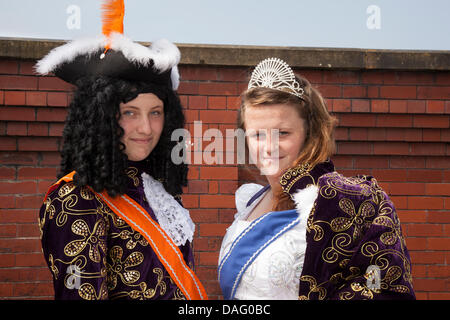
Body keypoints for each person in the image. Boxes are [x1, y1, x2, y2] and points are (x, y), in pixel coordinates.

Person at [36, 0, 207, 300]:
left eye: (155, 112)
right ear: (99, 117)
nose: (146, 128)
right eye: (130, 112)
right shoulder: (76, 199)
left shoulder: (156, 186)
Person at [218, 57, 415, 300]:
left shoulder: (347, 200)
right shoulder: (250, 201)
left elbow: (381, 282)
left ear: (309, 133)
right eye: (257, 134)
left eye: (282, 133)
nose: (268, 147)